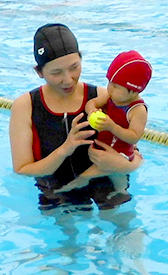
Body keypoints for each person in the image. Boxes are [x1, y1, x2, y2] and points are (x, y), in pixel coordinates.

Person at [9, 23, 143, 211]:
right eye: (56, 72)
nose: (68, 79)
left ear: (81, 59)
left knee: (125, 231)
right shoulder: (26, 106)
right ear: (39, 72)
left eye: (74, 67)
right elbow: (22, 169)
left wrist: (125, 167)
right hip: (54, 188)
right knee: (66, 236)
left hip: (105, 181)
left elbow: (133, 153)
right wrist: (65, 149)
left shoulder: (102, 97)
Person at [55, 50, 152, 196]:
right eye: (109, 82)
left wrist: (111, 126)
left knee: (96, 176)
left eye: (115, 86)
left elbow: (134, 137)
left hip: (121, 155)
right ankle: (117, 190)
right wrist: (93, 110)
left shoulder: (137, 110)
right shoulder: (110, 97)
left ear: (133, 91)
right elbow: (91, 103)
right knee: (107, 173)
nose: (109, 88)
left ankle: (83, 183)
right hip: (102, 147)